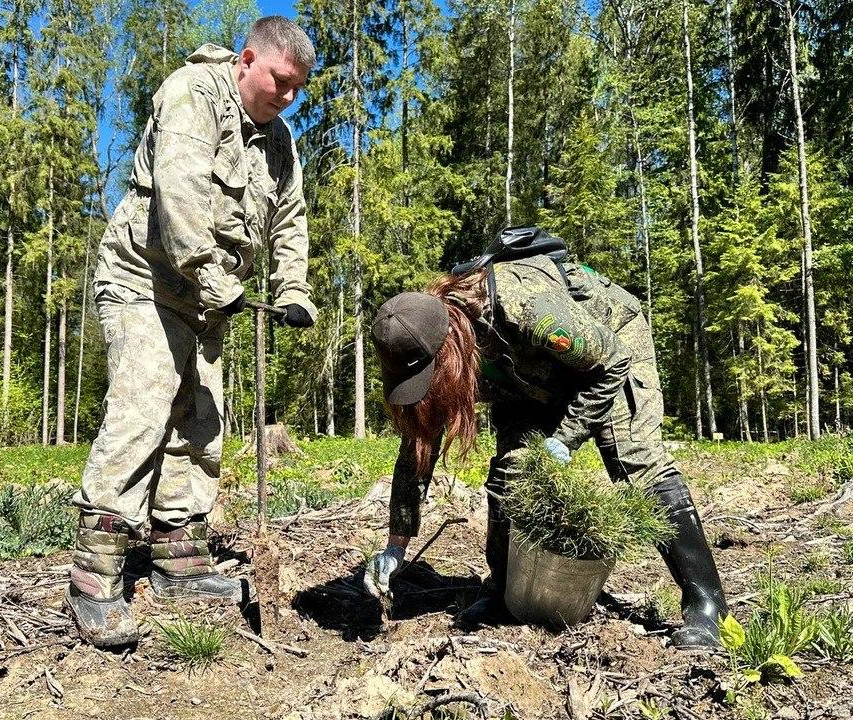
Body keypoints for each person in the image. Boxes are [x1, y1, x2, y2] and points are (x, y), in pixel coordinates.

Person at [65, 16, 318, 648]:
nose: (286, 97)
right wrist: (211, 275)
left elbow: (288, 217)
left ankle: (178, 549)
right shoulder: (192, 95)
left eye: (297, 90)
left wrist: (291, 288)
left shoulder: (278, 141)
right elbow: (177, 195)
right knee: (144, 406)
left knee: (201, 417)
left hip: (208, 299)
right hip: (145, 280)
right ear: (246, 60)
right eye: (280, 82)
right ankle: (95, 572)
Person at [364, 249, 729, 649]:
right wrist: (396, 544)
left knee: (634, 457)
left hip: (607, 348)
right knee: (511, 472)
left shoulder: (525, 309)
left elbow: (612, 361)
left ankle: (706, 604)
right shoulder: (436, 351)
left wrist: (567, 436)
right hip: (531, 375)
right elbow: (419, 442)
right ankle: (505, 594)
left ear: (448, 348)